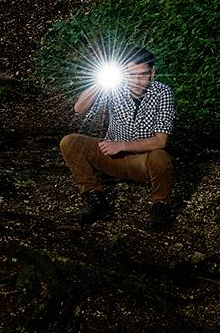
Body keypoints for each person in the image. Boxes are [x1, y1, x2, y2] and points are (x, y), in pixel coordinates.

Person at [58, 49, 176, 229]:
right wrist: (100, 82)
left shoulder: (163, 93)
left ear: (152, 73)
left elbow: (160, 141)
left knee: (161, 157)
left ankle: (161, 207)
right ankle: (94, 199)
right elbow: (79, 109)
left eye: (142, 75)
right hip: (111, 158)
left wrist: (121, 145)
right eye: (131, 75)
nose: (136, 81)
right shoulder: (115, 88)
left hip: (142, 163)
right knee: (70, 142)